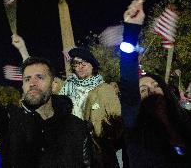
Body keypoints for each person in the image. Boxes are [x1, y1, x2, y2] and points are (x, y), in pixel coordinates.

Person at [0, 21, 95, 168]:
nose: (32, 82)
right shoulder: (9, 122)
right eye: (27, 79)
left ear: (53, 85)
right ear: (22, 85)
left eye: (39, 77)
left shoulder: (77, 127)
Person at [118, 0, 191, 168]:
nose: (151, 90)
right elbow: (127, 78)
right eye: (143, 90)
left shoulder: (180, 121)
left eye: (156, 85)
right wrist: (131, 31)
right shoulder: (134, 124)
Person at [12, 33, 123, 167]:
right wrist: (23, 50)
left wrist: (99, 132)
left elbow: (117, 121)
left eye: (84, 63)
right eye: (76, 64)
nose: (80, 66)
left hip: (99, 151)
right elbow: (40, 79)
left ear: (93, 65)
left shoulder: (105, 89)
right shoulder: (66, 86)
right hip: (69, 147)